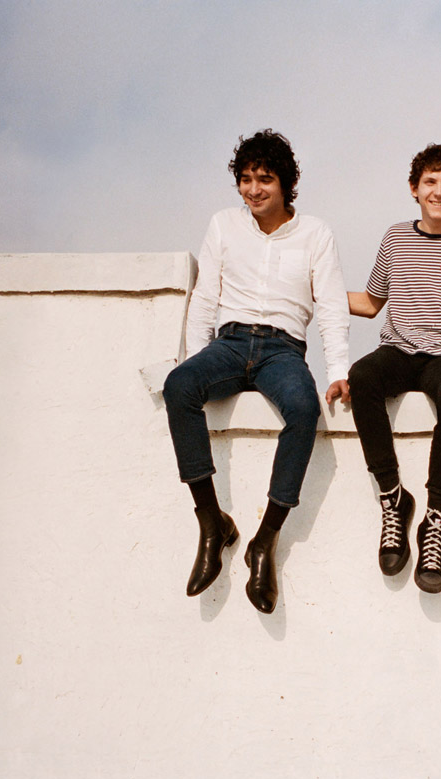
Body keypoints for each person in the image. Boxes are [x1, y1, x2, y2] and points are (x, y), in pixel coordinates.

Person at [162, 129, 350, 613]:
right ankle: (211, 522)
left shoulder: (315, 233)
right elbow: (205, 297)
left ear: (285, 183)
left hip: (283, 350)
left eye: (264, 179)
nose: (253, 189)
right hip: (228, 344)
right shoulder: (224, 225)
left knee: (304, 410)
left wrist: (338, 369)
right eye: (245, 180)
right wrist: (197, 359)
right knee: (179, 385)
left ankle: (265, 539)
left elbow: (331, 306)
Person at [347, 144, 441, 593]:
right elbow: (371, 303)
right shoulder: (395, 237)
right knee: (362, 377)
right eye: (430, 182)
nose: (439, 191)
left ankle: (435, 517)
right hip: (399, 349)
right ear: (414, 188)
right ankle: (393, 497)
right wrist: (312, 289)